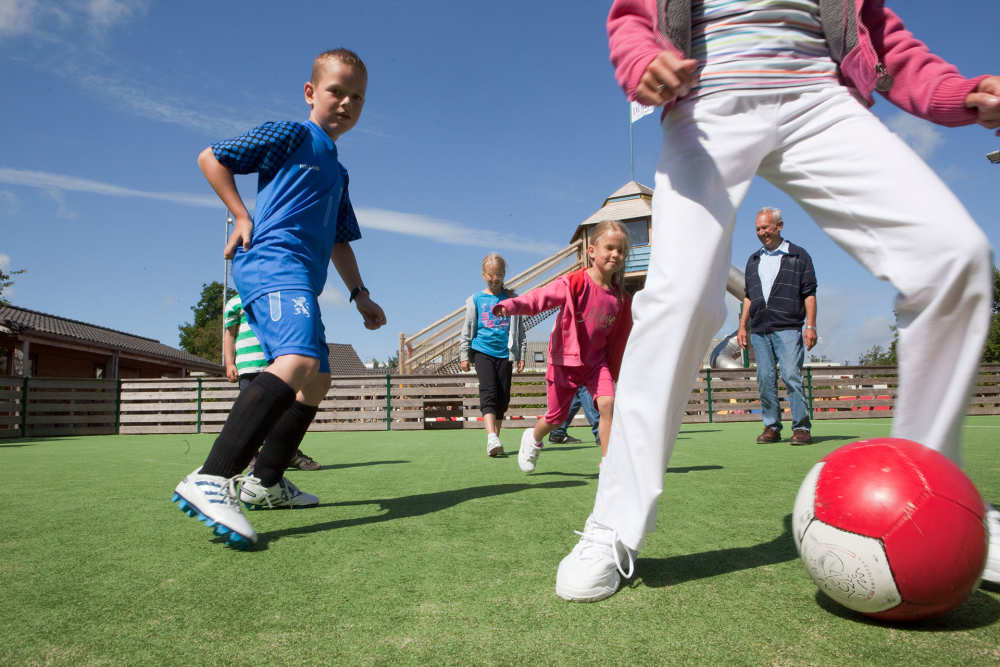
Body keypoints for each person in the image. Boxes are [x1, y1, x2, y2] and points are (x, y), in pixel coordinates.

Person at [554, 0, 1000, 602]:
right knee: (680, 301)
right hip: (706, 100)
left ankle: (934, 504)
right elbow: (632, 16)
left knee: (954, 257)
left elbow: (882, 40)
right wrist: (643, 62)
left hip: (819, 99)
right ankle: (614, 524)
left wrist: (959, 93)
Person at [172, 48, 386, 549]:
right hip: (272, 263)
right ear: (311, 93)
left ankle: (265, 482)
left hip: (300, 279)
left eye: (357, 97)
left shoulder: (340, 170)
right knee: (300, 359)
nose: (346, 103)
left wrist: (359, 295)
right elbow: (212, 156)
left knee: (320, 376)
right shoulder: (291, 134)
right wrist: (240, 215)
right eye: (336, 91)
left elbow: (338, 238)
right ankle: (212, 476)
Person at [493, 220, 633, 472]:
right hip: (565, 362)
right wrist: (512, 306)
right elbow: (541, 298)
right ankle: (533, 438)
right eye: (610, 247)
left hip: (595, 363)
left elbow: (624, 335)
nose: (616, 254)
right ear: (592, 251)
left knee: (607, 404)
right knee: (556, 417)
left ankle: (609, 464)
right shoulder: (575, 284)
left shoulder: (621, 299)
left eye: (621, 251)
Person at [736, 207, 818, 446]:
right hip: (760, 329)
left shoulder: (799, 256)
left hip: (789, 327)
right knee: (765, 378)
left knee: (791, 375)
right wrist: (743, 327)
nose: (762, 233)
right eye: (758, 229)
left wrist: (810, 326)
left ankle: (801, 427)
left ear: (779, 226)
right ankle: (771, 426)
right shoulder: (753, 260)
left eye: (765, 228)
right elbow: (748, 296)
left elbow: (809, 294)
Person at [224, 292, 322, 471]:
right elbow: (230, 335)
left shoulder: (275, 297)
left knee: (282, 413)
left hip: (278, 365)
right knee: (251, 414)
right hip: (248, 367)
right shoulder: (234, 303)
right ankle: (251, 457)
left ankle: (287, 452)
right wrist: (230, 362)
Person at [459, 253, 527, 457]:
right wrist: (464, 353)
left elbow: (520, 330)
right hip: (483, 351)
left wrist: (521, 353)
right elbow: (467, 327)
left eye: (498, 274)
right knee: (488, 392)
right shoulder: (476, 299)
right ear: (483, 275)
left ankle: (495, 441)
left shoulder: (512, 300)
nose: (495, 279)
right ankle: (491, 438)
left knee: (503, 397)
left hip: (505, 354)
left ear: (504, 274)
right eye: (491, 275)